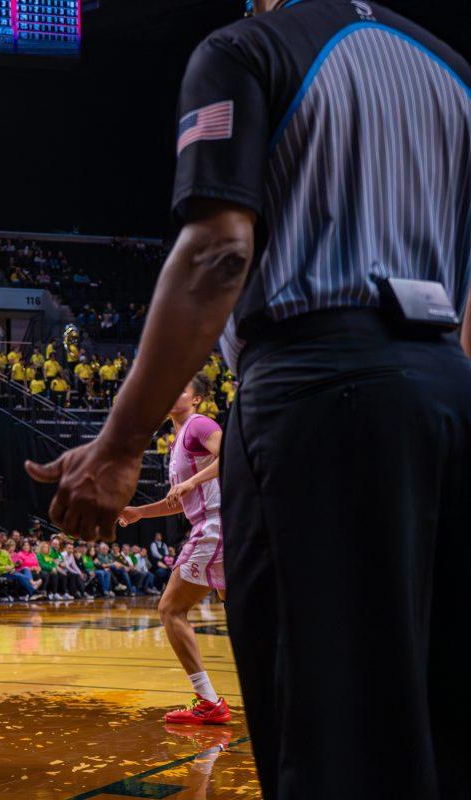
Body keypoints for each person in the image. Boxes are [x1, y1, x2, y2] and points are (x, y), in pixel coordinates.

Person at [28, 3, 471, 796]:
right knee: (436, 717)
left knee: (327, 725)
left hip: (320, 389)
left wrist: (120, 444)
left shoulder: (247, 48)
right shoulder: (453, 71)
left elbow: (220, 252)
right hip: (449, 389)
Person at [119, 374, 230, 723]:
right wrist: (140, 513)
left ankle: (208, 701)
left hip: (215, 525)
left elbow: (231, 456)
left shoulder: (198, 424)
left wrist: (192, 481)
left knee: (170, 609)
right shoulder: (178, 440)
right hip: (217, 523)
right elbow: (179, 500)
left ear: (196, 399)